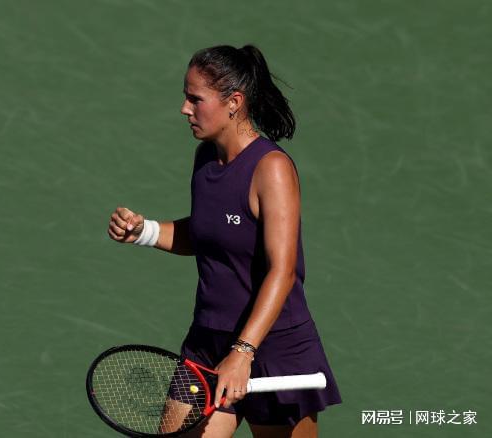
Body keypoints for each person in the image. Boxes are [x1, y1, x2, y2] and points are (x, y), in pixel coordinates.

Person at [107, 44, 341, 438]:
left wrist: (243, 352)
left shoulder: (272, 168)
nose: (185, 109)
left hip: (273, 350)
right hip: (207, 342)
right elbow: (208, 233)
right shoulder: (205, 159)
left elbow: (282, 271)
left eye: (195, 99)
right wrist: (144, 231)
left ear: (234, 102)